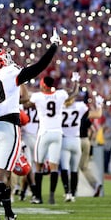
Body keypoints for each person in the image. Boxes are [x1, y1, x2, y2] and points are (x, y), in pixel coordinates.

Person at [0, 28, 61, 220]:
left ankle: (8, 212)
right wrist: (54, 46)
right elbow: (39, 67)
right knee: (2, 172)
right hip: (7, 127)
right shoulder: (10, 72)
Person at [29, 73, 79, 204]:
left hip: (44, 133)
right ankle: (51, 196)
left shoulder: (38, 96)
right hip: (57, 133)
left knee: (38, 166)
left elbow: (26, 99)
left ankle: (38, 197)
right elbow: (74, 93)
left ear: (44, 85)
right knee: (54, 167)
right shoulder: (60, 94)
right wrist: (76, 82)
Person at [59, 88, 102, 202]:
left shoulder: (58, 108)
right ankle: (73, 194)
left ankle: (67, 192)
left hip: (64, 140)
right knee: (75, 169)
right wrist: (99, 104)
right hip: (77, 140)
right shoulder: (80, 108)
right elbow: (97, 115)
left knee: (64, 168)